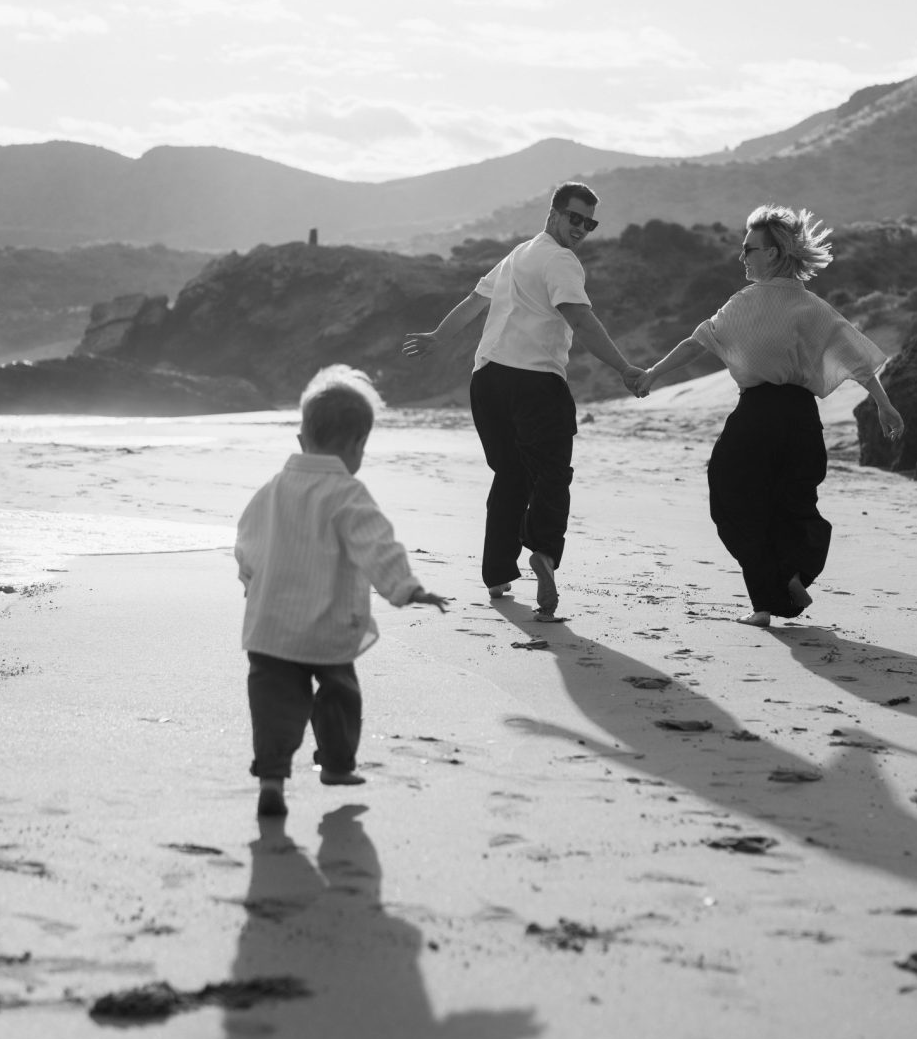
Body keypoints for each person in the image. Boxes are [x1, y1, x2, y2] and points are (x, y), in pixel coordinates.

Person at [637, 204, 904, 628]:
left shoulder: (742, 304)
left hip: (757, 415)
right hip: (800, 417)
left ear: (775, 254)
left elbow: (695, 343)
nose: (742, 257)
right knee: (796, 501)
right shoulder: (811, 306)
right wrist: (884, 404)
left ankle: (766, 600)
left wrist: (652, 373)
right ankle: (796, 572)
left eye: (750, 249)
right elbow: (856, 360)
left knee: (732, 496)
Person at [402, 181, 643, 617]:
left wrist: (439, 337)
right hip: (534, 384)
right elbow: (581, 320)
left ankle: (496, 573)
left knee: (510, 474)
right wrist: (624, 367)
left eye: (589, 223)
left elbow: (474, 303)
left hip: (486, 382)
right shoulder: (561, 261)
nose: (581, 229)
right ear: (553, 213)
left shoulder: (518, 254)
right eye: (574, 218)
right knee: (552, 475)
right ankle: (545, 552)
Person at [234, 365, 449, 818]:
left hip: (270, 626)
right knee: (339, 695)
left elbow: (247, 542)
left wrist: (251, 582)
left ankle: (272, 779)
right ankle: (335, 764)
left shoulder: (270, 490)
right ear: (357, 446)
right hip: (327, 627)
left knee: (273, 704)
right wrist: (407, 588)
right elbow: (377, 545)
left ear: (300, 440)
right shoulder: (348, 493)